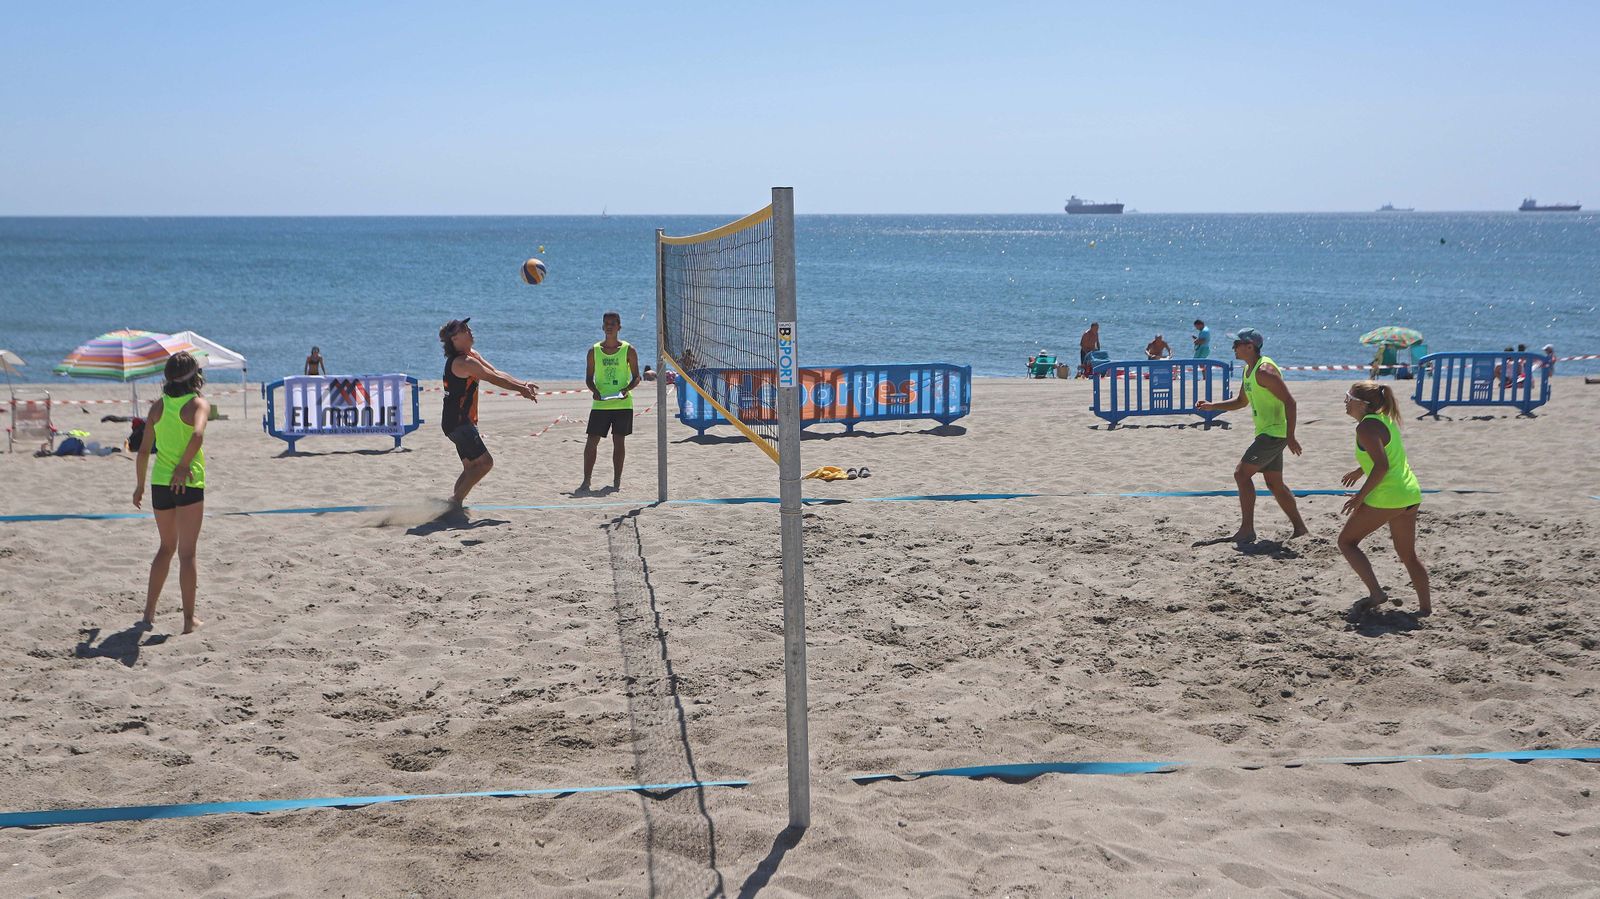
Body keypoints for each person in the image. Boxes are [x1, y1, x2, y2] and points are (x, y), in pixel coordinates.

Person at [1195, 328, 1309, 543]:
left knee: (1241, 474)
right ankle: (1300, 529)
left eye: (1236, 344)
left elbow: (1290, 402)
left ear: (1250, 346)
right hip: (1268, 432)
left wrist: (1291, 436)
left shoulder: (1265, 371)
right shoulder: (1249, 370)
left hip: (1273, 434)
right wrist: (1213, 406)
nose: (1233, 347)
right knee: (1275, 484)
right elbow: (1241, 402)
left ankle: (1247, 530)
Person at [132, 352, 209, 634]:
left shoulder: (158, 406)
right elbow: (197, 435)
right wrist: (184, 465)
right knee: (187, 554)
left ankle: (148, 614)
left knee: (166, 548)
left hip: (160, 484)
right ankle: (188, 620)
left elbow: (143, 451)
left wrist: (140, 485)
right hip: (187, 481)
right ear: (195, 376)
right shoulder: (198, 403)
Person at [1338, 381, 1430, 618]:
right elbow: (1385, 455)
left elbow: (1381, 466)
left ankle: (1376, 593)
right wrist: (1360, 470)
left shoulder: (1365, 428)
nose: (1345, 402)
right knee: (1408, 556)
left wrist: (1359, 497)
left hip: (1388, 497)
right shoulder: (1384, 419)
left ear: (1361, 404)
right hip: (1409, 494)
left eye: (1348, 398)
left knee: (1346, 542)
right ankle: (1425, 609)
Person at [438, 318, 540, 507]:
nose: (469, 329)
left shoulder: (472, 355)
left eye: (467, 326)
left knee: (471, 467)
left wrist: (523, 384)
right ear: (455, 339)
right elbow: (492, 378)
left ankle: (451, 505)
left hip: (459, 421)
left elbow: (496, 372)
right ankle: (453, 502)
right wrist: (520, 389)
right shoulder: (462, 362)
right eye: (464, 328)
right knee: (485, 463)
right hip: (457, 422)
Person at [582, 311, 642, 492]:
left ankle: (617, 481)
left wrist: (627, 389)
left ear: (619, 327)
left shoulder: (628, 350)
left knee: (619, 441)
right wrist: (594, 391)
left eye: (612, 324)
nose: (609, 326)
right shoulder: (594, 351)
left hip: (622, 403)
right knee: (592, 442)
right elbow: (589, 378)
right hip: (601, 403)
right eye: (606, 323)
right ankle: (586, 481)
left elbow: (637, 377)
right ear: (602, 326)